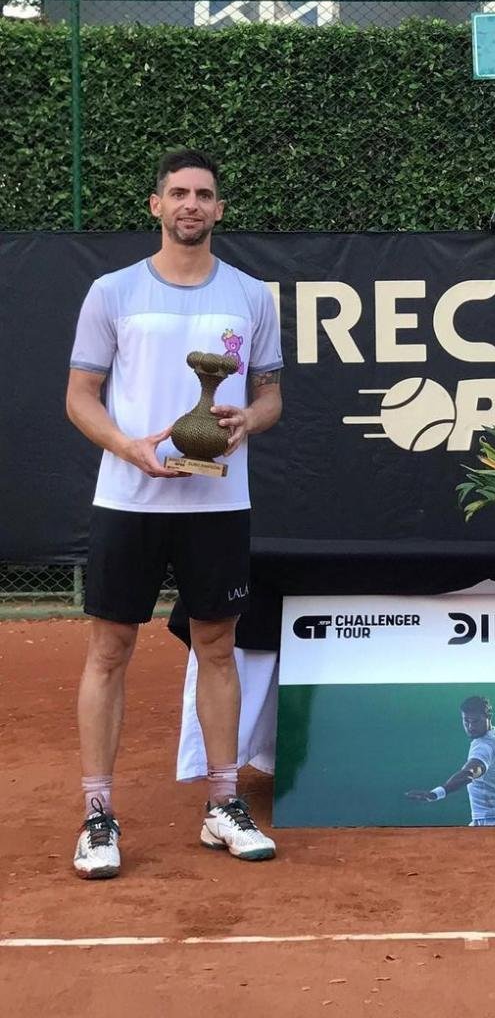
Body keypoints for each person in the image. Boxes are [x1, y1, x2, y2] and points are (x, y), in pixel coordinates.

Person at [66, 148, 283, 878]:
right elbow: (80, 397)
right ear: (155, 205)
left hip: (218, 500)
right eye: (178, 193)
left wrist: (248, 420)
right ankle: (98, 816)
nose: (192, 204)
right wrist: (128, 447)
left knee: (217, 648)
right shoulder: (112, 292)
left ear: (220, 210)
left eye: (205, 195)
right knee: (108, 651)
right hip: (128, 497)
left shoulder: (254, 297)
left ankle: (224, 804)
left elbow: (271, 397)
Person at [406, 695, 495, 825]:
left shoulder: (484, 745)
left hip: (493, 820)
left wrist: (435, 794)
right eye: (466, 721)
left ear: (489, 717)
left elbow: (469, 773)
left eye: (476, 721)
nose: (470, 726)